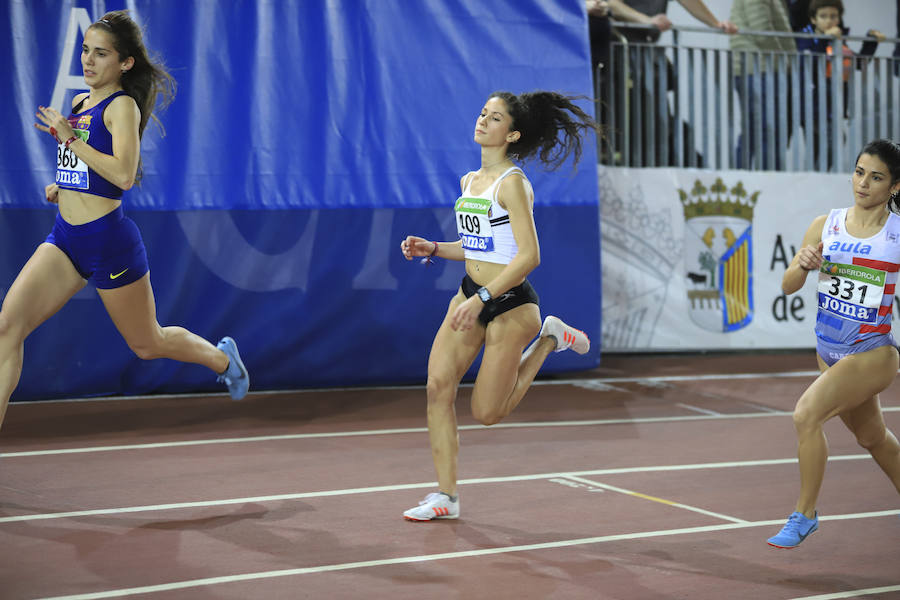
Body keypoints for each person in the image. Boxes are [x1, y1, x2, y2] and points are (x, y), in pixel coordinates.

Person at [0, 10, 249, 429]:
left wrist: (68, 140)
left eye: (101, 54)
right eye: (85, 50)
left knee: (148, 343)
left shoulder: (123, 108)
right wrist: (65, 185)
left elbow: (124, 175)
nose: (88, 61)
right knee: (8, 326)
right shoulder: (80, 103)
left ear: (125, 63)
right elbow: (89, 169)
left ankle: (223, 358)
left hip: (108, 243)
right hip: (65, 239)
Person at [399, 91, 598, 521]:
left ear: (512, 133)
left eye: (495, 118)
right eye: (482, 114)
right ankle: (446, 498)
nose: (483, 121)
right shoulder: (469, 181)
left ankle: (548, 338)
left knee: (487, 413)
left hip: (509, 306)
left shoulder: (513, 183)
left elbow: (528, 256)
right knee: (437, 387)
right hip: (471, 294)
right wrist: (433, 247)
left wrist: (484, 298)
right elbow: (478, 250)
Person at [769, 139, 900, 548]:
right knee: (872, 438)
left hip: (874, 352)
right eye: (860, 172)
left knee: (805, 416)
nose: (863, 183)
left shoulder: (896, 234)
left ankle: (804, 514)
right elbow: (788, 285)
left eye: (876, 177)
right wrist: (804, 266)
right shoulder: (826, 223)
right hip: (828, 351)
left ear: (895, 187)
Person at [604, 0, 737, 167]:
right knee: (624, 128)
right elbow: (608, 2)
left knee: (657, 129)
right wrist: (645, 20)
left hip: (644, 59)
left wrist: (716, 23)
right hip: (613, 58)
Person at [795, 0, 885, 170]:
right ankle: (818, 175)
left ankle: (817, 175)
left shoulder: (839, 41)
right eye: (823, 16)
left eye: (833, 16)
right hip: (811, 105)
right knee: (831, 139)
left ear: (839, 19)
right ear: (813, 19)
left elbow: (859, 63)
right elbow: (812, 63)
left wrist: (872, 40)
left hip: (833, 105)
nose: (829, 21)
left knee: (825, 143)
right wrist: (825, 39)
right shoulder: (806, 38)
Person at [729, 0, 797, 171]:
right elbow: (762, 32)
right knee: (766, 131)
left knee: (756, 131)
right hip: (760, 68)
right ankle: (768, 183)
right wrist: (787, 59)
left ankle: (746, 180)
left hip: (760, 69)